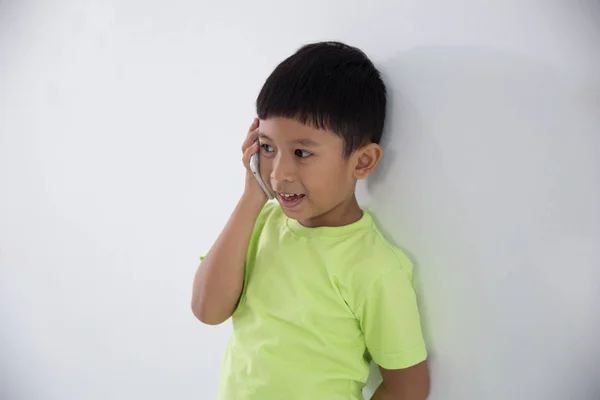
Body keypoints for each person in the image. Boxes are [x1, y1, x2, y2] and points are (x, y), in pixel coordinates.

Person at [191, 41, 429, 400]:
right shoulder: (259, 223)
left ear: (362, 162)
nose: (280, 174)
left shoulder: (374, 267)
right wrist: (251, 196)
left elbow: (408, 386)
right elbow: (207, 310)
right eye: (268, 148)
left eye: (302, 153)